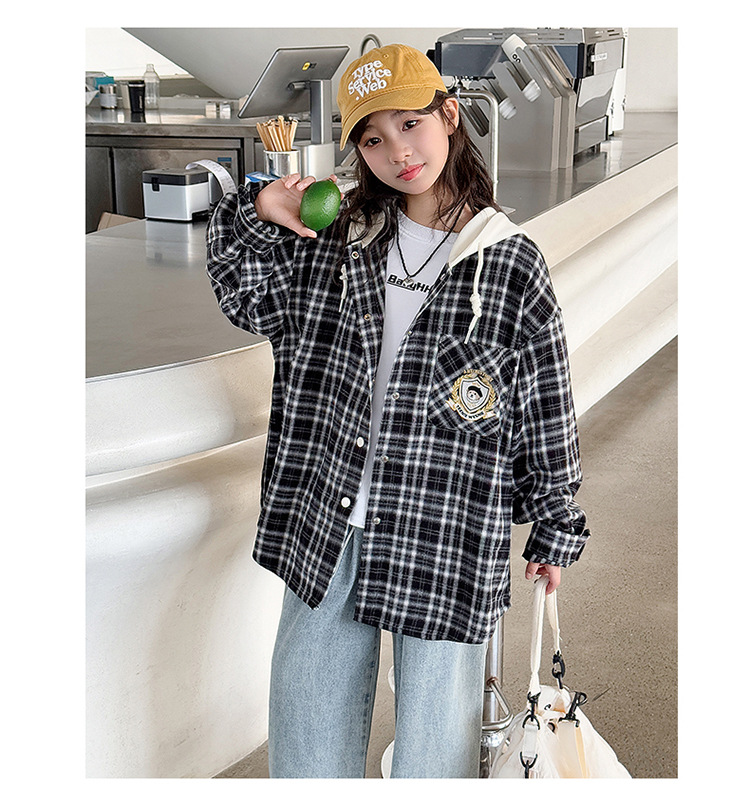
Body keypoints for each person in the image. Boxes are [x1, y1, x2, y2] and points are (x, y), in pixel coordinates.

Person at [205, 43, 590, 778]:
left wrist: (554, 520)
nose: (398, 153)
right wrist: (260, 208)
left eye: (410, 124)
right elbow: (245, 297)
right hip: (330, 516)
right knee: (307, 725)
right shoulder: (334, 240)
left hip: (444, 524)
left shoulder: (508, 262)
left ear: (450, 115)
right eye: (373, 139)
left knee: (437, 743)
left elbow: (545, 399)